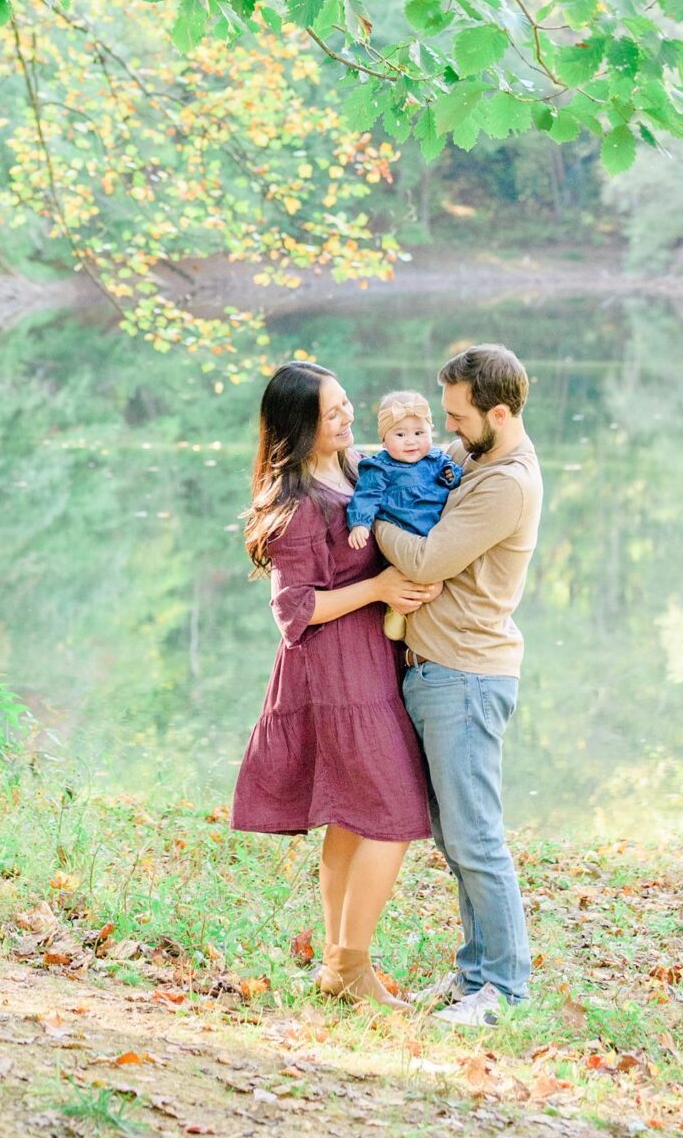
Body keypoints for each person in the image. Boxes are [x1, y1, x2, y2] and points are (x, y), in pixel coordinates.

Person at [230, 360, 441, 1009]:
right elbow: (292, 610)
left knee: (352, 820)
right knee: (389, 816)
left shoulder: (357, 470)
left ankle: (335, 966)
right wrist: (377, 588)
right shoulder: (293, 503)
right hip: (331, 673)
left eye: (347, 403)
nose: (348, 417)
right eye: (332, 413)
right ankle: (351, 964)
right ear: (301, 427)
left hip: (370, 664)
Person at [371, 343, 544, 1029]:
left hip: (466, 675)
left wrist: (367, 518)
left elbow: (424, 558)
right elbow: (405, 454)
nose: (447, 430)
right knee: (455, 837)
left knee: (476, 839)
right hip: (438, 672)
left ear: (497, 413)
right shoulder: (477, 456)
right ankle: (474, 974)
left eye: (457, 417)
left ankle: (502, 992)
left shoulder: (505, 483)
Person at [345, 389, 462, 637]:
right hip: (402, 535)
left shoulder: (436, 459)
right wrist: (360, 524)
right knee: (402, 579)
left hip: (433, 536)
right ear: (384, 440)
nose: (411, 441)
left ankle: (426, 620)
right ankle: (396, 610)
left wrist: (451, 474)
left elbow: (451, 474)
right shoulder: (381, 467)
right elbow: (366, 496)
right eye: (400, 434)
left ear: (431, 433)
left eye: (419, 433)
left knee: (433, 584)